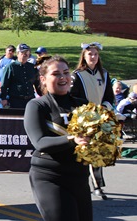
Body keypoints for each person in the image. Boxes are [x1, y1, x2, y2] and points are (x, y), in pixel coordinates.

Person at [24, 55, 92, 221]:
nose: (63, 77)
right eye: (56, 74)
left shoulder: (83, 104)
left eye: (66, 72)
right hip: (50, 177)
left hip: (79, 176)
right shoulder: (37, 105)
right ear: (44, 79)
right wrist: (72, 139)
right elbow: (40, 142)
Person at [70, 42, 114, 200]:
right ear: (84, 56)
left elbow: (109, 96)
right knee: (84, 153)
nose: (93, 57)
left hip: (101, 118)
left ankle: (97, 185)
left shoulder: (104, 74)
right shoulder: (77, 75)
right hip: (84, 119)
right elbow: (72, 97)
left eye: (95, 54)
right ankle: (85, 184)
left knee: (98, 152)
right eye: (90, 54)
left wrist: (104, 107)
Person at [0, 43, 39, 109]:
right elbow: (4, 85)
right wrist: (3, 98)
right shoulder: (11, 67)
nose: (25, 54)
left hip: (30, 100)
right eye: (23, 52)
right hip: (15, 101)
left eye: (27, 52)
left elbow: (37, 84)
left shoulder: (31, 67)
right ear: (18, 54)